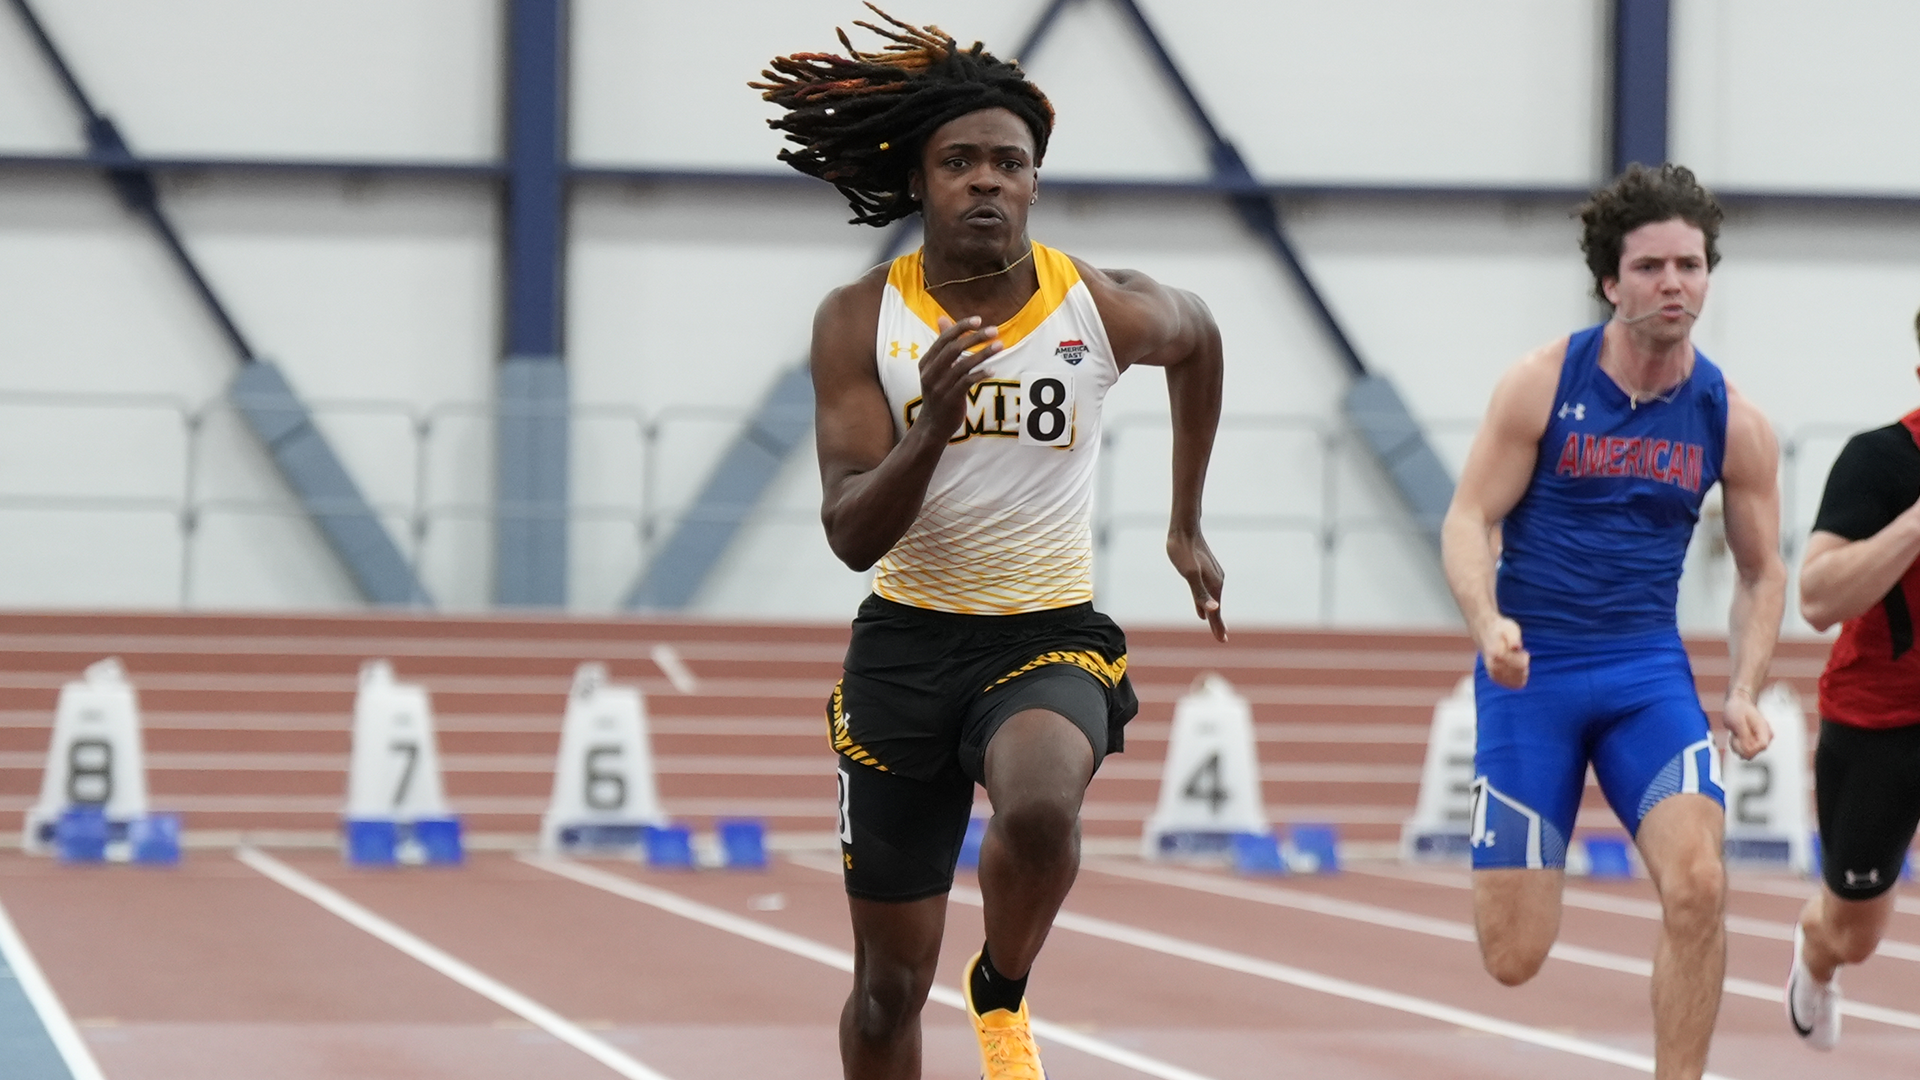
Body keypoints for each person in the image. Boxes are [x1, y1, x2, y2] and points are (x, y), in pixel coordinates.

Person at [754, 10, 1226, 1079]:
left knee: (1043, 806)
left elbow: (1200, 337)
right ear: (918, 182)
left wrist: (1186, 522)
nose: (985, 182)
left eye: (1008, 164)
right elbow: (849, 534)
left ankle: (1002, 987)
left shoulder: (1094, 307)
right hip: (905, 649)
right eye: (958, 161)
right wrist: (931, 426)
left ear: (1035, 183)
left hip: (1044, 634)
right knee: (885, 993)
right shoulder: (860, 319)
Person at [1440, 162, 1786, 1080]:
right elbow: (1468, 518)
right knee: (1514, 955)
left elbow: (1762, 572)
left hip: (1645, 676)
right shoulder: (1541, 383)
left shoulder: (1732, 420)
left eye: (1690, 265)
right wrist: (1487, 622)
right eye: (1650, 267)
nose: (1674, 283)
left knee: (1700, 885)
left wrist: (1745, 689)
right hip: (1533, 672)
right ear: (1609, 281)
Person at [1783, 305, 1920, 1050]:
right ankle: (1815, 954)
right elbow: (1816, 599)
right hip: (1882, 723)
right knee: (1853, 932)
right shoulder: (1880, 460)